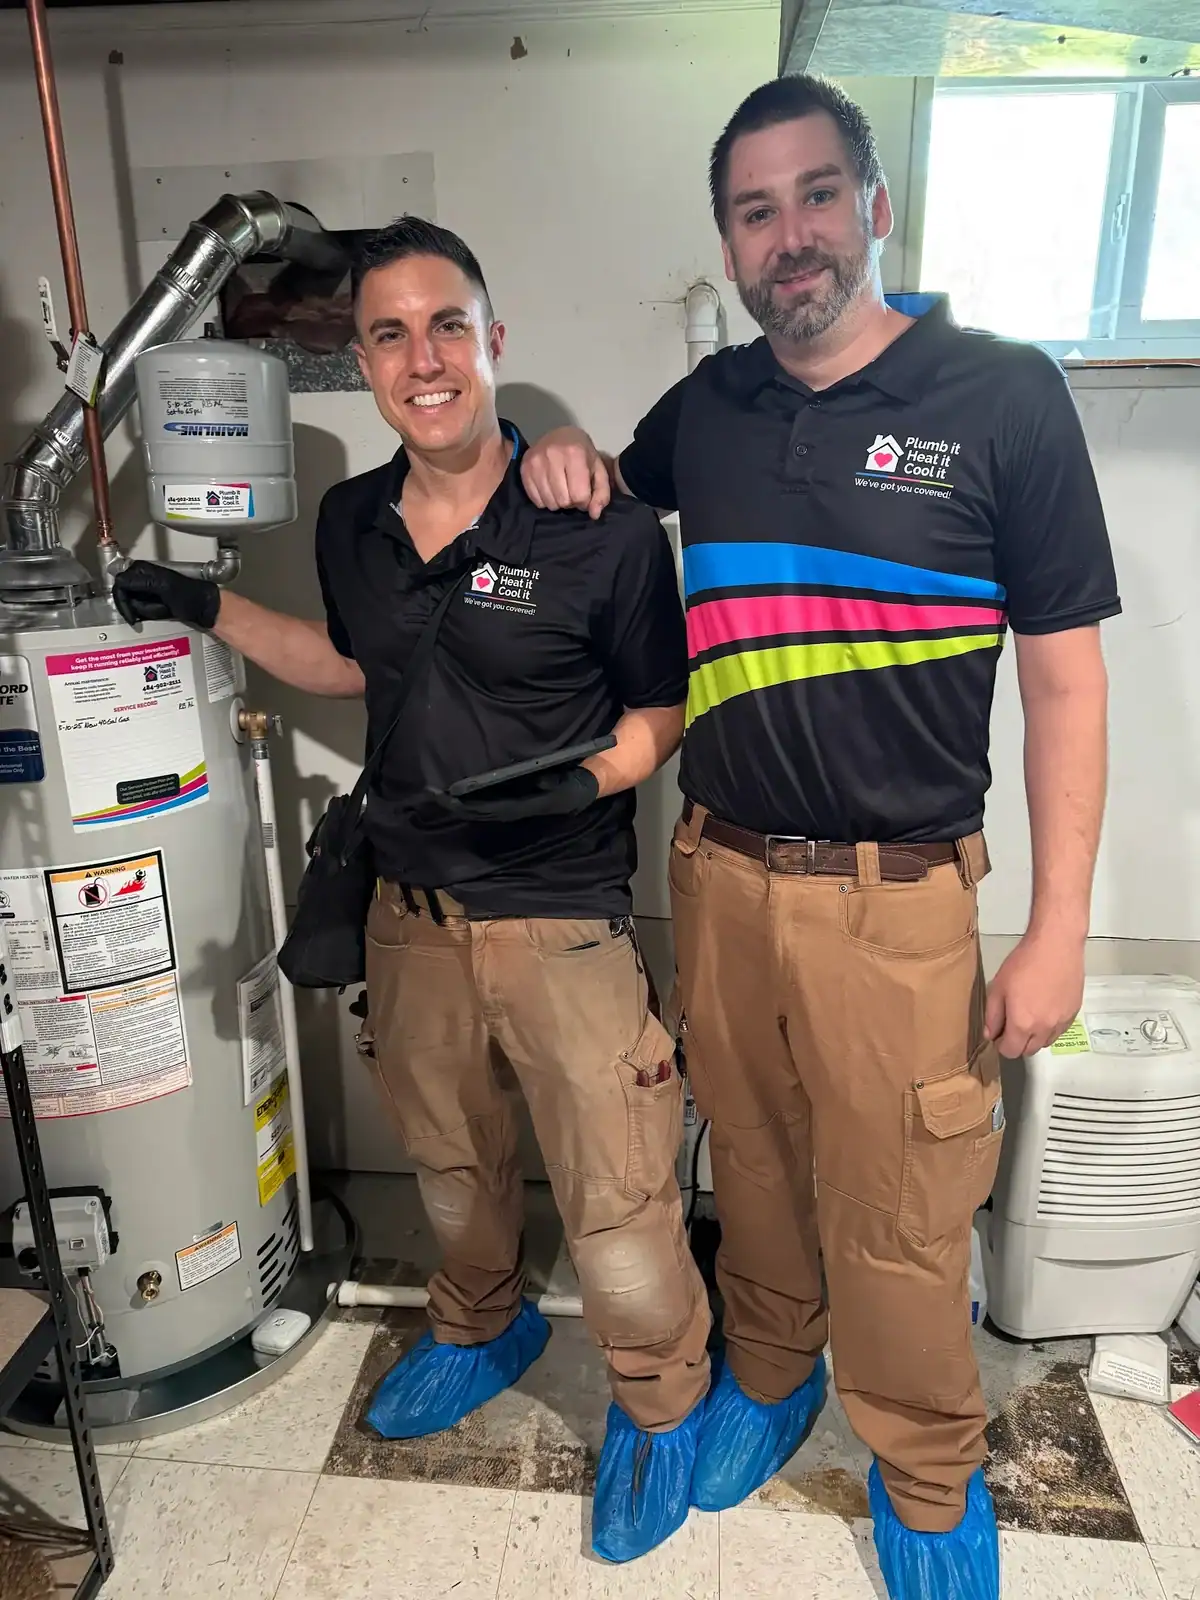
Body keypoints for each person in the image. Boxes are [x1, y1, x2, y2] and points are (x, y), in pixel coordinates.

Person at [521, 75, 1119, 1600]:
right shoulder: (708, 411)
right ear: (727, 240)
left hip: (899, 901)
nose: (789, 235)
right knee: (765, 1172)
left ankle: (925, 1472)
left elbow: (1063, 676)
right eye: (753, 209)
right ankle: (774, 1373)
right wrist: (566, 447)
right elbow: (597, 503)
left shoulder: (1001, 397)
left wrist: (1058, 928)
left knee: (907, 1218)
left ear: (874, 205)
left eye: (814, 196)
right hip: (718, 876)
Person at [113, 216, 711, 1565]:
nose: (422, 357)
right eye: (389, 333)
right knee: (451, 1163)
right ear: (365, 362)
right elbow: (354, 664)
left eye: (448, 325)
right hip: (412, 917)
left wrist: (589, 782)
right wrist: (200, 609)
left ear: (493, 342)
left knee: (616, 1198)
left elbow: (661, 711)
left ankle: (663, 1404)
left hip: (561, 925)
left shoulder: (594, 525)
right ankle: (480, 1319)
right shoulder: (350, 523)